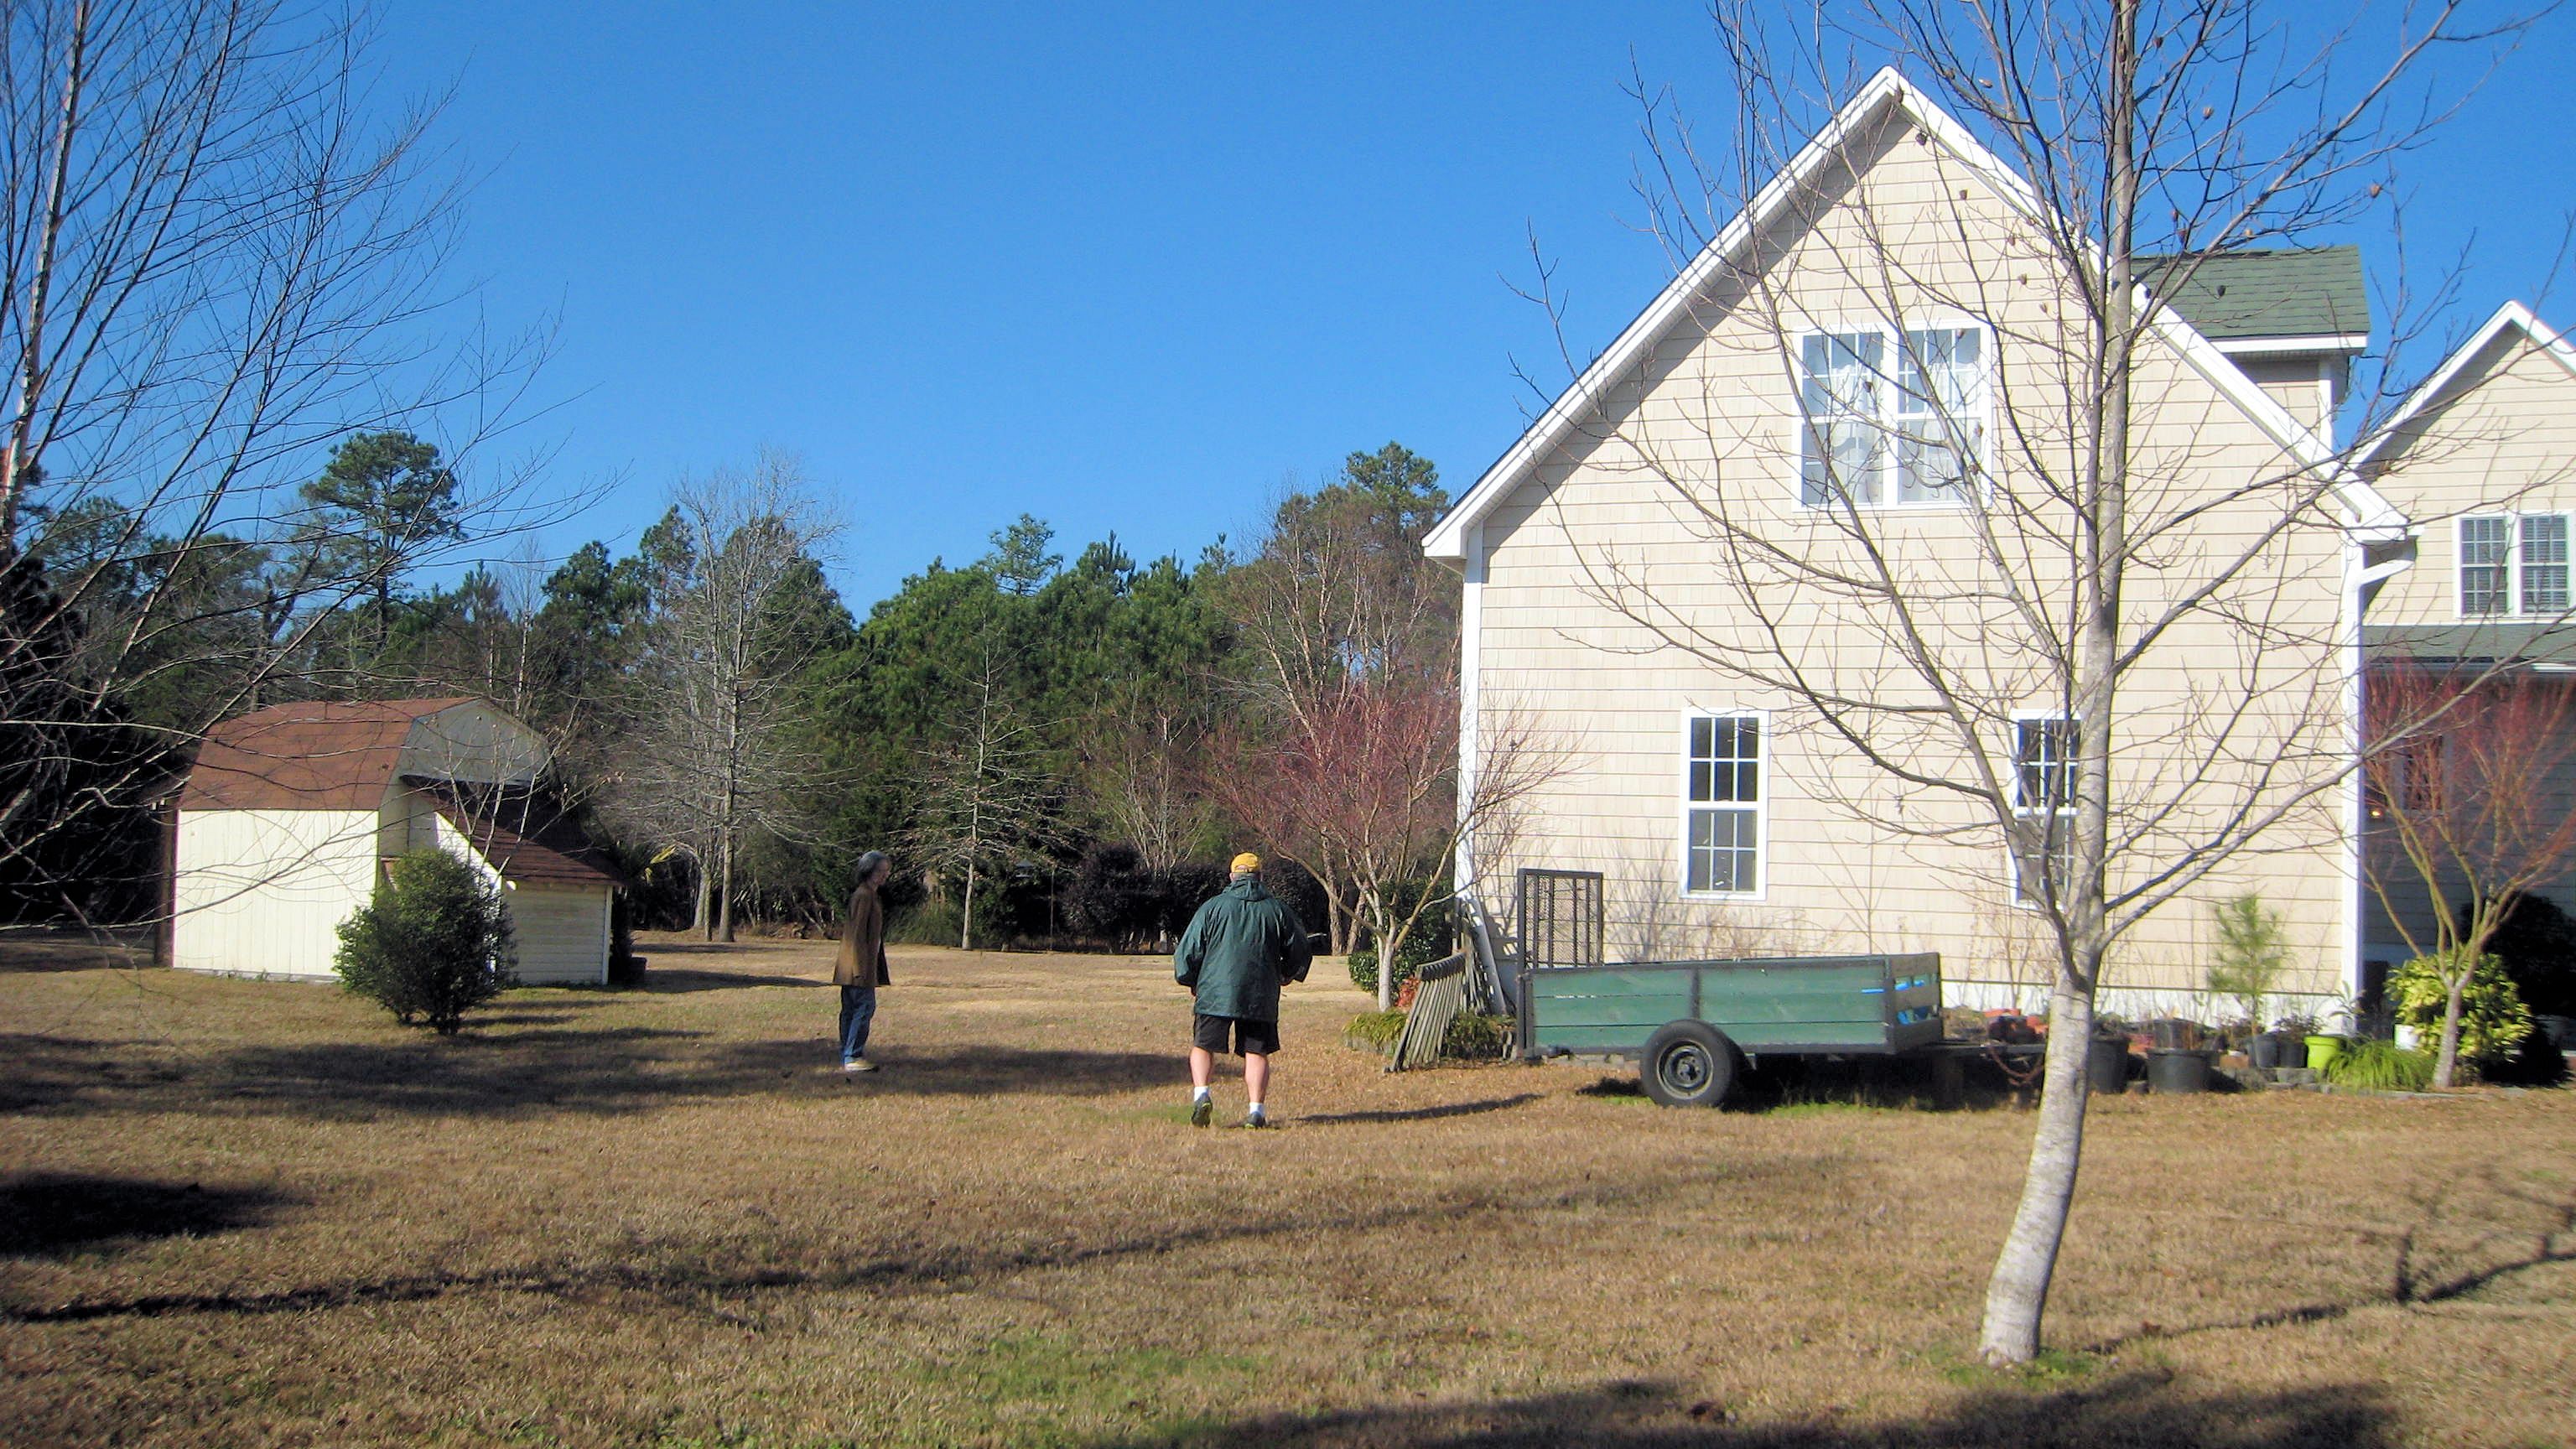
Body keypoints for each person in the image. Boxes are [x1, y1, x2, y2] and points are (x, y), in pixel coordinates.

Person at [1173, 852, 1314, 1128]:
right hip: (1259, 994)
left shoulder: (1212, 907)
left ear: (1232, 877)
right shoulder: (1277, 910)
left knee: (1203, 1045)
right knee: (1256, 1051)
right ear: (1260, 877)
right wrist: (1288, 974)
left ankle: (1202, 1094)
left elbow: (1188, 950)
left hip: (1215, 992)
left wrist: (1191, 981)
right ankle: (1256, 1111)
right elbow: (1300, 948)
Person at [834, 850, 892, 1072]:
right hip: (857, 967)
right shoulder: (864, 896)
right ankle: (852, 1055)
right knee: (863, 1007)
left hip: (860, 966)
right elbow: (856, 935)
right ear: (868, 871)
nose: (885, 875)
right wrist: (860, 969)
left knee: (853, 1009)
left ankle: (849, 1054)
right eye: (880, 871)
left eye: (887, 871)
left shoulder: (870, 895)